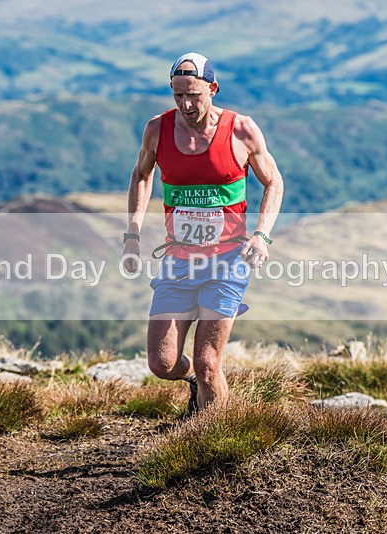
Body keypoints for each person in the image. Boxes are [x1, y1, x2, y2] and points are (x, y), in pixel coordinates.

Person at [122, 52, 283, 416]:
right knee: (162, 363)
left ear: (213, 88)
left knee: (208, 362)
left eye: (194, 95)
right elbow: (141, 175)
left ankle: (213, 447)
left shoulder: (241, 129)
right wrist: (132, 233)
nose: (186, 104)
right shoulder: (157, 129)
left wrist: (262, 234)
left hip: (228, 261)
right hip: (178, 261)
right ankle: (191, 383)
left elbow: (273, 181)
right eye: (178, 95)